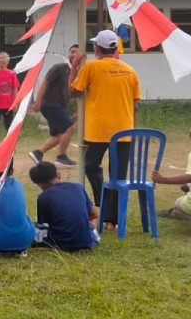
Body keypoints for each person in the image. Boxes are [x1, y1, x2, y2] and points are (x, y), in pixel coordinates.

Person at [70, 30, 140, 231]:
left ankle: (101, 203)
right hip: (125, 131)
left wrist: (74, 66)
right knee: (118, 176)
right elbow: (135, 105)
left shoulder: (92, 66)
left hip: (97, 131)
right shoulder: (130, 70)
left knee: (90, 166)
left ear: (97, 48)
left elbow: (73, 91)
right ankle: (112, 220)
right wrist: (132, 130)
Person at [28, 161, 99, 252]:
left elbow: (45, 225)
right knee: (91, 221)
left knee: (31, 228)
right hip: (87, 241)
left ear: (39, 184)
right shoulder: (78, 187)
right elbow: (95, 214)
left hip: (61, 243)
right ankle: (89, 234)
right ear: (59, 175)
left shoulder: (43, 197)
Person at [30, 45, 80, 167]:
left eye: (77, 53)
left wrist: (78, 111)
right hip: (50, 104)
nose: (74, 55)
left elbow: (76, 93)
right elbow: (44, 83)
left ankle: (37, 153)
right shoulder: (59, 68)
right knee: (69, 128)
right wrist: (37, 102)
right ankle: (61, 157)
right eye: (72, 52)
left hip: (60, 106)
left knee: (58, 135)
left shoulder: (78, 73)